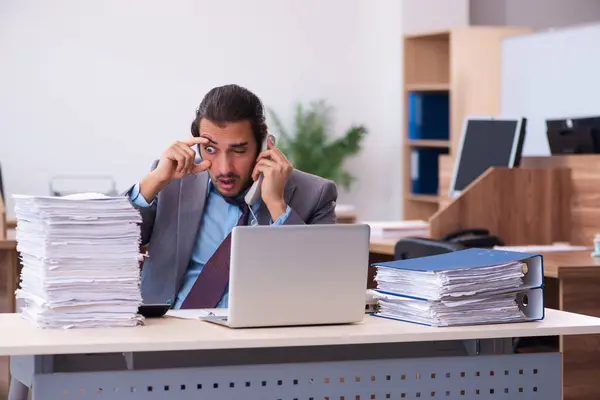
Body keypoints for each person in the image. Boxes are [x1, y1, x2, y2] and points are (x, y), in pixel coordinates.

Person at [128, 84, 338, 308]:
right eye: (210, 149)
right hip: (167, 330)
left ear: (264, 143)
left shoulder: (315, 194)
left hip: (258, 335)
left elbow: (320, 283)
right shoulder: (171, 179)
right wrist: (154, 182)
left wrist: (277, 205)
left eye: (238, 151)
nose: (224, 168)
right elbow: (111, 241)